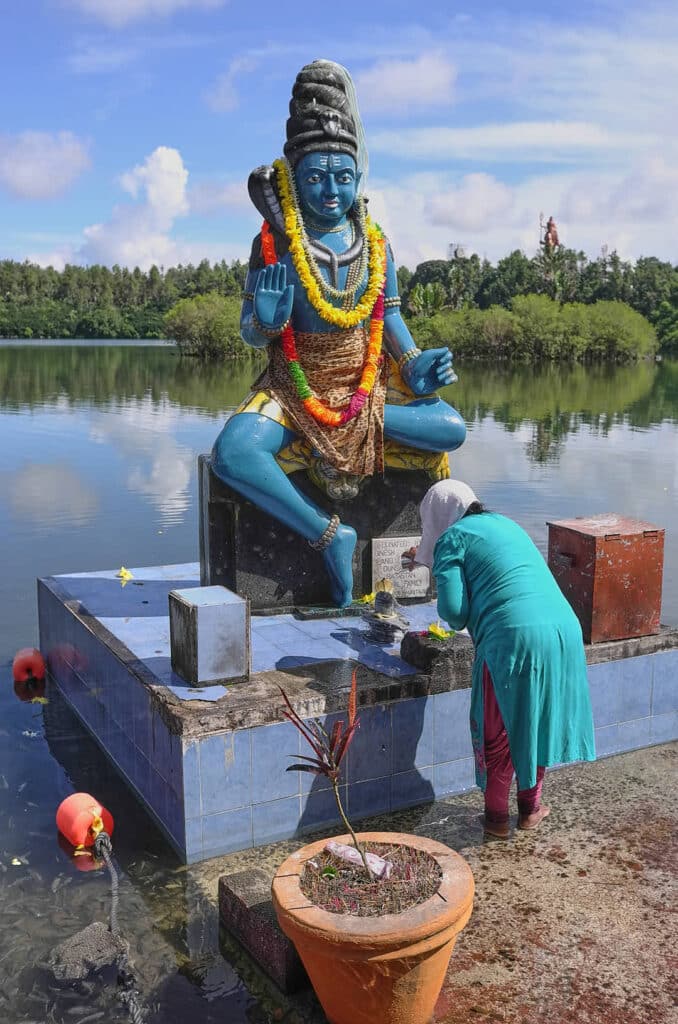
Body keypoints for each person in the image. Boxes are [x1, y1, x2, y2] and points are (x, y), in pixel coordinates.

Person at [212, 59, 466, 608]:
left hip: (365, 385)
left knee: (450, 427)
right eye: (316, 177)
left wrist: (417, 364)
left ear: (358, 178)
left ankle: (366, 424)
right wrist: (266, 319)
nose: (330, 190)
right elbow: (250, 333)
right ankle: (329, 534)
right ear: (295, 178)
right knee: (235, 451)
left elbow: (391, 320)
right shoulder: (276, 244)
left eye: (343, 176)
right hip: (296, 389)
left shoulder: (375, 244)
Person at [413, 480, 596, 838]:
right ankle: (530, 810)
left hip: (513, 639)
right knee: (534, 720)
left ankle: (496, 819)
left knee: (499, 731)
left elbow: (454, 612)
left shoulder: (453, 537)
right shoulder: (506, 524)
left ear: (437, 516)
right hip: (563, 632)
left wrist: (441, 572)